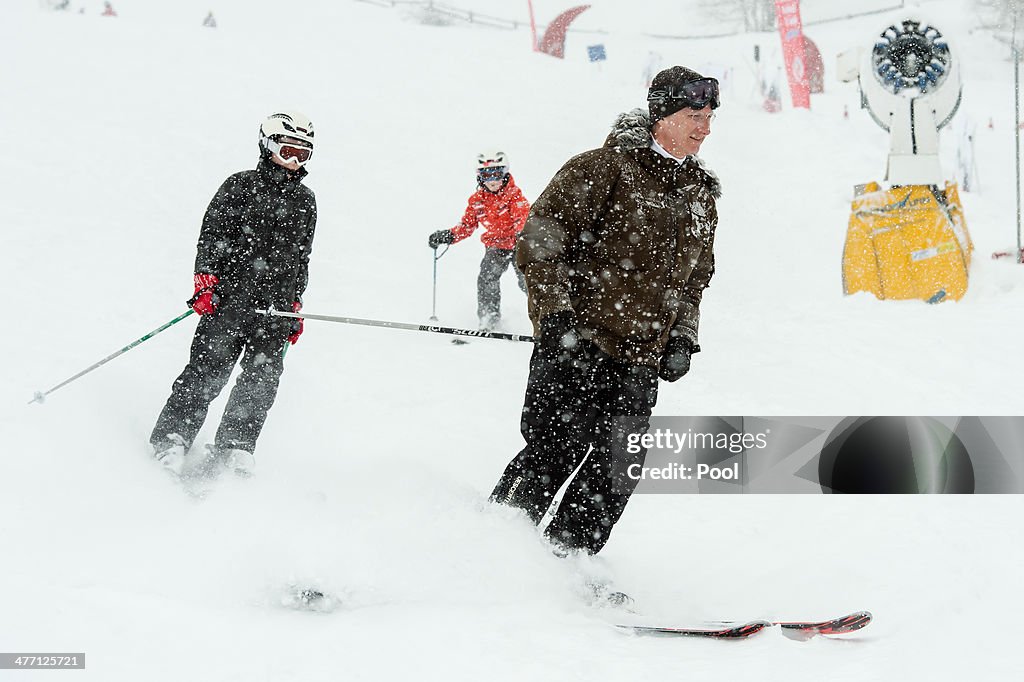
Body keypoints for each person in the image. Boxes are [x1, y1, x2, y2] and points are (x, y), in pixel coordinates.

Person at [489, 67, 721, 555]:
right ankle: (487, 550)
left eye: (708, 117)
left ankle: (566, 563)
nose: (704, 128)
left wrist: (682, 336)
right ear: (662, 115)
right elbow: (540, 241)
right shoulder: (602, 169)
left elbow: (694, 280)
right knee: (553, 452)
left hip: (639, 357)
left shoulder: (699, 194)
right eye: (693, 115)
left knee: (618, 468)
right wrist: (554, 318)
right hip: (577, 341)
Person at [150, 111, 318, 478]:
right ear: (268, 145)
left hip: (276, 309)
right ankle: (173, 437)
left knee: (261, 380)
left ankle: (235, 447)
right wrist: (205, 281)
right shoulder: (240, 186)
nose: (294, 161)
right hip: (230, 300)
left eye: (302, 155)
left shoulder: (306, 201)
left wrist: (295, 303)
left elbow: (301, 257)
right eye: (288, 150)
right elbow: (212, 236)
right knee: (207, 371)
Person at [427, 151, 530, 331]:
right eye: (486, 175)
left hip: (519, 244)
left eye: (496, 174)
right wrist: (449, 236)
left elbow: (522, 219)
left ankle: (546, 318)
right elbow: (467, 225)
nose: (492, 180)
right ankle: (489, 319)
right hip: (496, 246)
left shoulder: (515, 196)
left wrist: (522, 235)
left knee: (528, 280)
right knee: (486, 277)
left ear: (504, 174)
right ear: (480, 177)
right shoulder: (477, 200)